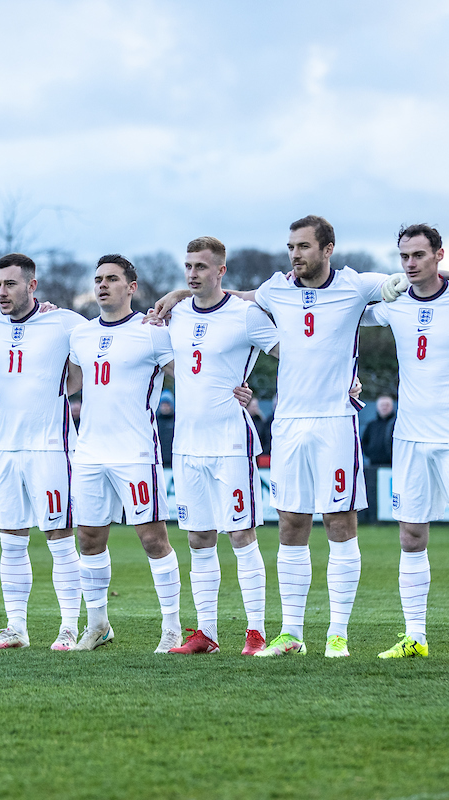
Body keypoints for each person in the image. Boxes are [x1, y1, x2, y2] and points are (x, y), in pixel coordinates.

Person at [152, 215, 449, 657]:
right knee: (291, 525)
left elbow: (413, 279)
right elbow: (236, 298)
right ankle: (292, 634)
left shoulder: (356, 286)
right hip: (287, 424)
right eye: (290, 247)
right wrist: (176, 294)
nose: (295, 255)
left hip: (335, 423)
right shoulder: (276, 289)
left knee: (340, 523)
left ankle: (337, 634)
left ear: (327, 249)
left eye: (303, 246)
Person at [364, 224, 449, 659]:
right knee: (409, 535)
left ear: (439, 255)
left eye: (419, 255)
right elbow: (339, 309)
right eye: (404, 256)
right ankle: (415, 637)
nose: (410, 264)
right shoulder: (393, 303)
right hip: (409, 437)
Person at [165, 236, 278, 656]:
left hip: (232, 443)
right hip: (187, 446)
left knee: (241, 535)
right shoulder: (174, 314)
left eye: (201, 267)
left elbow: (293, 352)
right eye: (188, 266)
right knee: (198, 539)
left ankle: (255, 632)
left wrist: (257, 393)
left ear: (221, 271)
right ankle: (206, 634)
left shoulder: (246, 315)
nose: (193, 274)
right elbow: (165, 360)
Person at [68, 255, 183, 653]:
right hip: (88, 452)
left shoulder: (153, 332)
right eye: (98, 279)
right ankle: (98, 624)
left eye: (112, 279)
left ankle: (172, 629)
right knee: (89, 539)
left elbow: (189, 376)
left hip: (136, 451)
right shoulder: (80, 335)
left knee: (153, 539)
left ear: (131, 287)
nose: (102, 285)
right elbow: (70, 384)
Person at [0, 253, 85, 652]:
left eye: (10, 284)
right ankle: (15, 628)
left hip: (51, 448)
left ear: (32, 286)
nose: (2, 293)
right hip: (6, 449)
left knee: (59, 538)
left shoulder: (65, 322)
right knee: (11, 541)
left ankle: (69, 627)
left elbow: (96, 357)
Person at [360, 394, 396, 524]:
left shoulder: (397, 423)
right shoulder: (372, 425)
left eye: (387, 405)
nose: (384, 408)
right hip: (374, 466)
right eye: (382, 405)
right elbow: (364, 443)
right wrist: (371, 454)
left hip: (392, 466)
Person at [156, 390, 175, 467]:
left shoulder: (176, 421)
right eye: (163, 405)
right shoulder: (155, 421)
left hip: (173, 463)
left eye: (167, 405)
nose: (165, 407)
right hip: (159, 462)